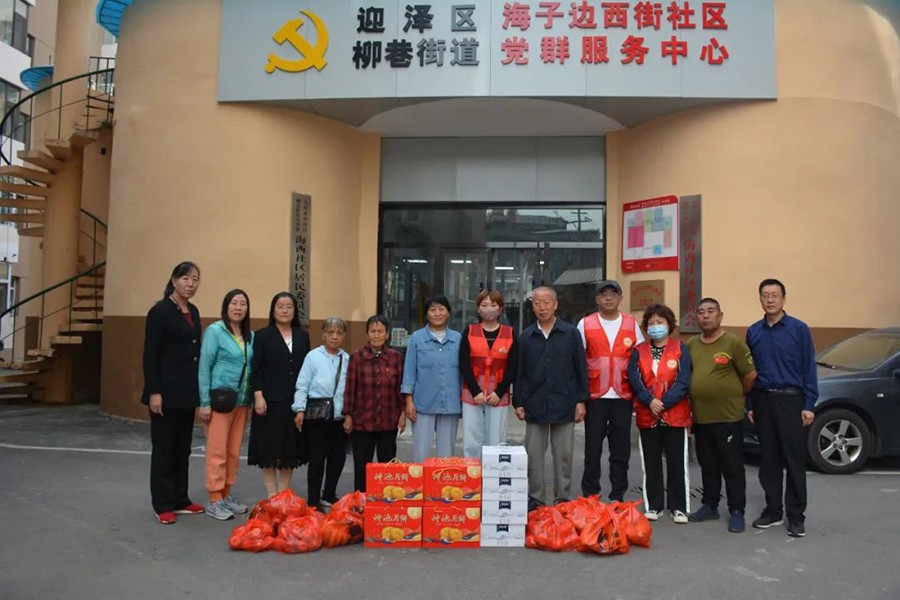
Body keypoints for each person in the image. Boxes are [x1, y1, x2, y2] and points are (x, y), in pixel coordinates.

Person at [746, 279, 818, 538]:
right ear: (760, 299)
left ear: (783, 299)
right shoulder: (754, 331)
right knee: (769, 460)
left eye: (775, 295)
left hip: (791, 400)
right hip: (763, 401)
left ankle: (796, 516)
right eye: (765, 295)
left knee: (794, 460)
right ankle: (773, 511)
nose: (770, 299)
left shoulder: (799, 329)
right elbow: (750, 372)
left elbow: (809, 367)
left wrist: (809, 404)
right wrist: (750, 404)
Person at [514, 286, 589, 511]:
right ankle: (536, 499)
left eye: (547, 302)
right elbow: (519, 372)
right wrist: (518, 402)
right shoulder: (526, 336)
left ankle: (562, 499)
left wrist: (581, 400)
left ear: (555, 305)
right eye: (537, 303)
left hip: (564, 401)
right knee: (534, 456)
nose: (542, 307)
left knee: (564, 455)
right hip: (534, 403)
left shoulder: (571, 333)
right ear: (532, 306)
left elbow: (581, 369)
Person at [142, 261, 204, 525]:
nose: (190, 284)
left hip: (187, 393)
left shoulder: (193, 311)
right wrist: (154, 391)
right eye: (186, 279)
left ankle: (181, 499)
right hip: (165, 393)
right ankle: (163, 504)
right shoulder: (159, 311)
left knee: (182, 448)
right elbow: (150, 355)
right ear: (174, 280)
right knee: (164, 449)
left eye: (195, 279)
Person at [687, 298, 757, 533]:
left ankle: (737, 510)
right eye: (701, 312)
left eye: (710, 311)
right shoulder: (692, 344)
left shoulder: (733, 343)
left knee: (732, 466)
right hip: (701, 417)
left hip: (729, 417)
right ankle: (710, 505)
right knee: (708, 464)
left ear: (720, 316)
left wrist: (734, 395)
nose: (705, 316)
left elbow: (749, 376)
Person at [576, 280, 644, 502]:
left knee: (620, 450)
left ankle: (617, 496)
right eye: (603, 294)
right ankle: (591, 494)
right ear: (596, 299)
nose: (608, 298)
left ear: (620, 298)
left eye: (613, 294)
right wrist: (580, 398)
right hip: (595, 396)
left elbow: (639, 358)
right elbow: (578, 362)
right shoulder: (585, 324)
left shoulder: (631, 324)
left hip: (623, 395)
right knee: (592, 450)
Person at [627, 304, 692, 524]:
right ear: (646, 327)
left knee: (677, 462)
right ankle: (654, 505)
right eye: (652, 323)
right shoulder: (638, 351)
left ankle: (679, 507)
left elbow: (683, 382)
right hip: (648, 414)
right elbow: (635, 380)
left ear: (670, 325)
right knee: (651, 462)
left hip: (675, 413)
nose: (656, 327)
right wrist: (649, 401)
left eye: (660, 322)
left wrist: (663, 403)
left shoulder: (681, 349)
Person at [198, 289, 254, 521]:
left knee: (232, 452)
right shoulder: (215, 331)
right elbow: (204, 366)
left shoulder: (251, 335)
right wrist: (204, 402)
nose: (238, 307)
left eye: (243, 304)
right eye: (234, 303)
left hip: (242, 402)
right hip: (219, 402)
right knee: (217, 451)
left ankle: (227, 494)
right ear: (226, 306)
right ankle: (214, 499)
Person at [248, 292, 310, 498]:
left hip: (293, 402)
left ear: (295, 311)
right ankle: (271, 495)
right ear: (273, 310)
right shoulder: (263, 335)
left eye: (289, 307)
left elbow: (307, 369)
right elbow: (255, 368)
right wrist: (258, 396)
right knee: (268, 449)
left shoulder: (302, 336)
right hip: (268, 402)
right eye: (280, 306)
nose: (284, 310)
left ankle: (283, 496)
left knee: (288, 450)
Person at [343, 315, 406, 492]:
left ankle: (386, 502)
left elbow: (401, 388)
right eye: (373, 331)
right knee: (362, 466)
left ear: (387, 335)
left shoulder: (395, 358)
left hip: (388, 421)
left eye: (380, 331)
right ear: (367, 334)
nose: (376, 335)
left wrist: (402, 414)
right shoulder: (357, 358)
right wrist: (348, 415)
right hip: (363, 422)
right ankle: (361, 503)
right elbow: (350, 388)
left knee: (387, 467)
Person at [293, 317, 351, 510]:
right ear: (323, 334)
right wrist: (299, 409)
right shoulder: (313, 357)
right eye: (330, 332)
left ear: (344, 336)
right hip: (317, 416)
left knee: (338, 458)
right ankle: (313, 499)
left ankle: (329, 494)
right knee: (317, 459)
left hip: (338, 418)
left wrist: (349, 415)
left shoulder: (347, 359)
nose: (334, 337)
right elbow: (302, 384)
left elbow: (350, 390)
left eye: (339, 333)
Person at [401, 295, 462, 462]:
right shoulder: (417, 338)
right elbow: (409, 370)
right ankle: (421, 487)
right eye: (432, 309)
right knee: (421, 453)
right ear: (426, 314)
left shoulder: (458, 339)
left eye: (441, 309)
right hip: (423, 404)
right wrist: (409, 400)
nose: (437, 313)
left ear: (448, 313)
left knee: (447, 455)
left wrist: (464, 401)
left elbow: (463, 373)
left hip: (450, 404)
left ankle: (444, 488)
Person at [459, 289, 518, 458]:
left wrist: (499, 392)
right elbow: (464, 364)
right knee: (472, 441)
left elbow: (512, 367)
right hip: (472, 394)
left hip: (498, 395)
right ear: (478, 309)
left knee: (496, 442)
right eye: (484, 305)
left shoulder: (510, 333)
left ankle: (493, 480)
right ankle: (473, 480)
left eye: (493, 305)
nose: (489, 308)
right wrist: (475, 391)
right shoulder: (469, 331)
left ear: (500, 309)